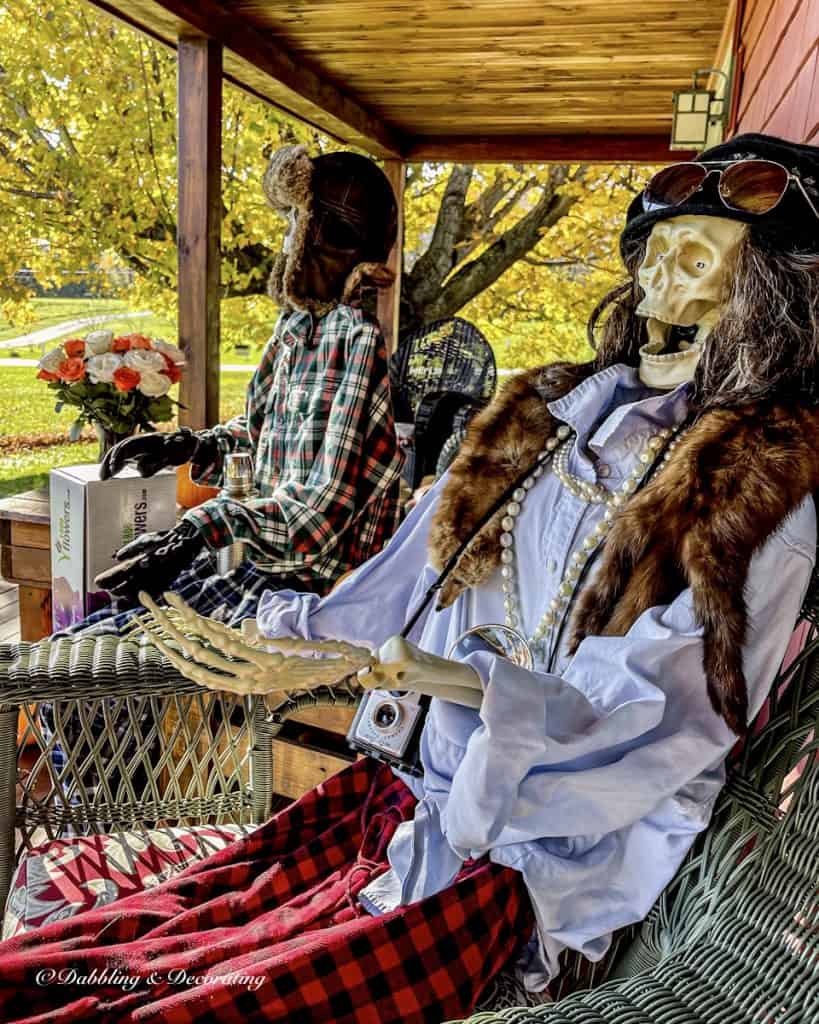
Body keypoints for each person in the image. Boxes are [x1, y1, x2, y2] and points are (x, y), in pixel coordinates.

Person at [2, 133, 818, 1024]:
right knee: (144, 946)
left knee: (205, 1000)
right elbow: (405, 581)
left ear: (765, 293)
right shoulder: (542, 418)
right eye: (656, 247)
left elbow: (660, 716)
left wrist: (439, 678)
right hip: (405, 784)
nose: (664, 271)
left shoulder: (753, 487)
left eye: (700, 253)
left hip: (523, 849)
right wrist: (307, 639)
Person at [36, 144, 404, 780]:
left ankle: (114, 810)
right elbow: (261, 434)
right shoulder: (295, 333)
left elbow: (313, 522)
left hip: (304, 597)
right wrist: (191, 445)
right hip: (255, 571)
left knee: (83, 676)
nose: (286, 236)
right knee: (71, 651)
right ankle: (115, 797)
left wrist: (195, 532)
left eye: (296, 221)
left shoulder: (354, 343)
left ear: (328, 237)